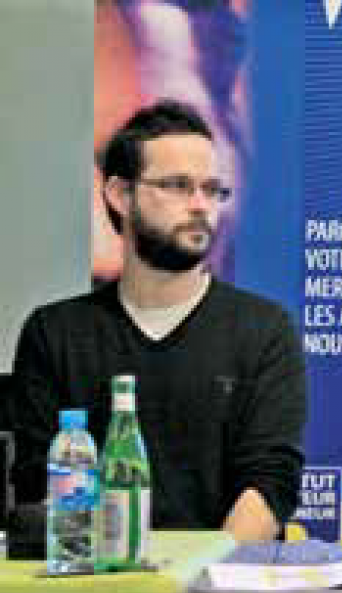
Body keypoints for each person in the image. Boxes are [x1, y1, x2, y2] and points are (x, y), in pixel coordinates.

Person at [10, 99, 305, 542]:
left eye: (212, 189)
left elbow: (269, 486)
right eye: (178, 186)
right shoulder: (56, 334)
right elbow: (39, 486)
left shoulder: (264, 331)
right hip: (93, 589)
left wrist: (199, 580)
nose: (200, 205)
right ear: (119, 195)